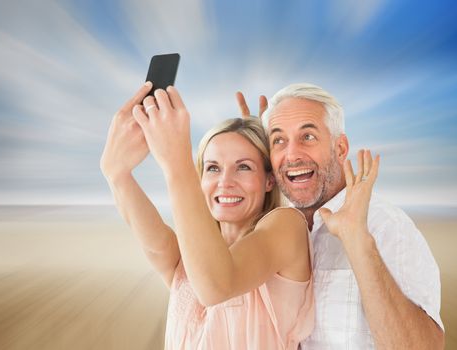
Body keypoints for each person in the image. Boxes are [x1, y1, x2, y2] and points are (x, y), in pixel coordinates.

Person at [100, 82, 331, 349]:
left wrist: (176, 161)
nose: (225, 182)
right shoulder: (186, 260)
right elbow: (150, 235)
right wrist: (115, 172)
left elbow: (217, 285)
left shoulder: (286, 226)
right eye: (212, 168)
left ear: (269, 180)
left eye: (243, 167)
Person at [237, 84, 445, 349]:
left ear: (340, 148)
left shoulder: (386, 226)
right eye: (278, 140)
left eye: (308, 137)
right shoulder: (274, 227)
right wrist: (248, 165)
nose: (291, 154)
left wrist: (358, 241)